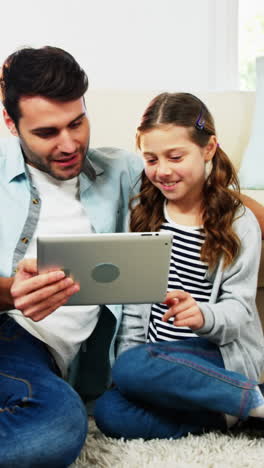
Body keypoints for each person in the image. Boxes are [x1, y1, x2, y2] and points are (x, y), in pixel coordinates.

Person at [0, 45, 142, 467]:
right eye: (47, 133)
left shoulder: (122, 171)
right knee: (55, 423)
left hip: (37, 361)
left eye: (77, 123)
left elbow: (223, 205)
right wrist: (11, 293)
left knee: (54, 427)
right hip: (11, 332)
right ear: (11, 123)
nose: (69, 144)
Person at [94, 92, 264, 440]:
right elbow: (134, 309)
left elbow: (239, 310)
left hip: (216, 356)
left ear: (209, 148)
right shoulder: (142, 214)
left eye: (176, 156)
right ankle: (230, 417)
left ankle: (251, 398)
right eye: (151, 159)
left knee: (134, 367)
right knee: (110, 411)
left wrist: (202, 315)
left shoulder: (239, 222)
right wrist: (132, 375)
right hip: (156, 362)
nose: (163, 170)